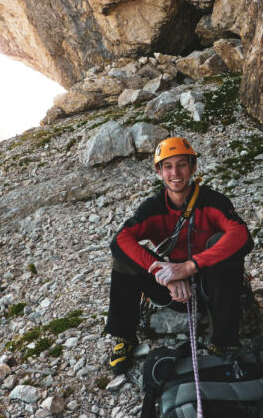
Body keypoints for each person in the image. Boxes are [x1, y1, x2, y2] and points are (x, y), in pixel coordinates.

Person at [105, 137, 254, 374]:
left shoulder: (213, 201)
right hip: (173, 287)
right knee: (123, 260)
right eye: (168, 166)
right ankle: (124, 336)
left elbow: (242, 236)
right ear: (159, 171)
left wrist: (190, 267)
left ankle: (223, 339)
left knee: (222, 244)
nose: (175, 173)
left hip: (211, 284)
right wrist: (163, 271)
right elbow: (120, 241)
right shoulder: (152, 207)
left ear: (193, 167)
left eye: (182, 164)